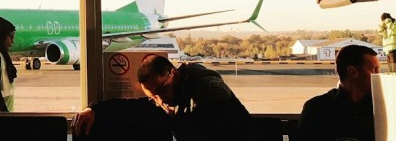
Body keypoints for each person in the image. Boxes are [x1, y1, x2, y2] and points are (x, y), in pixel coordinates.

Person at [72, 54, 258, 140]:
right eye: (154, 97)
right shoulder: (170, 97)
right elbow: (134, 108)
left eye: (161, 91)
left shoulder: (209, 93)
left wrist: (173, 119)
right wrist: (94, 109)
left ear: (174, 74)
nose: (160, 101)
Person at [295, 44, 379, 141]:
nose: (378, 75)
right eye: (374, 70)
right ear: (353, 72)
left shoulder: (380, 107)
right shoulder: (317, 109)